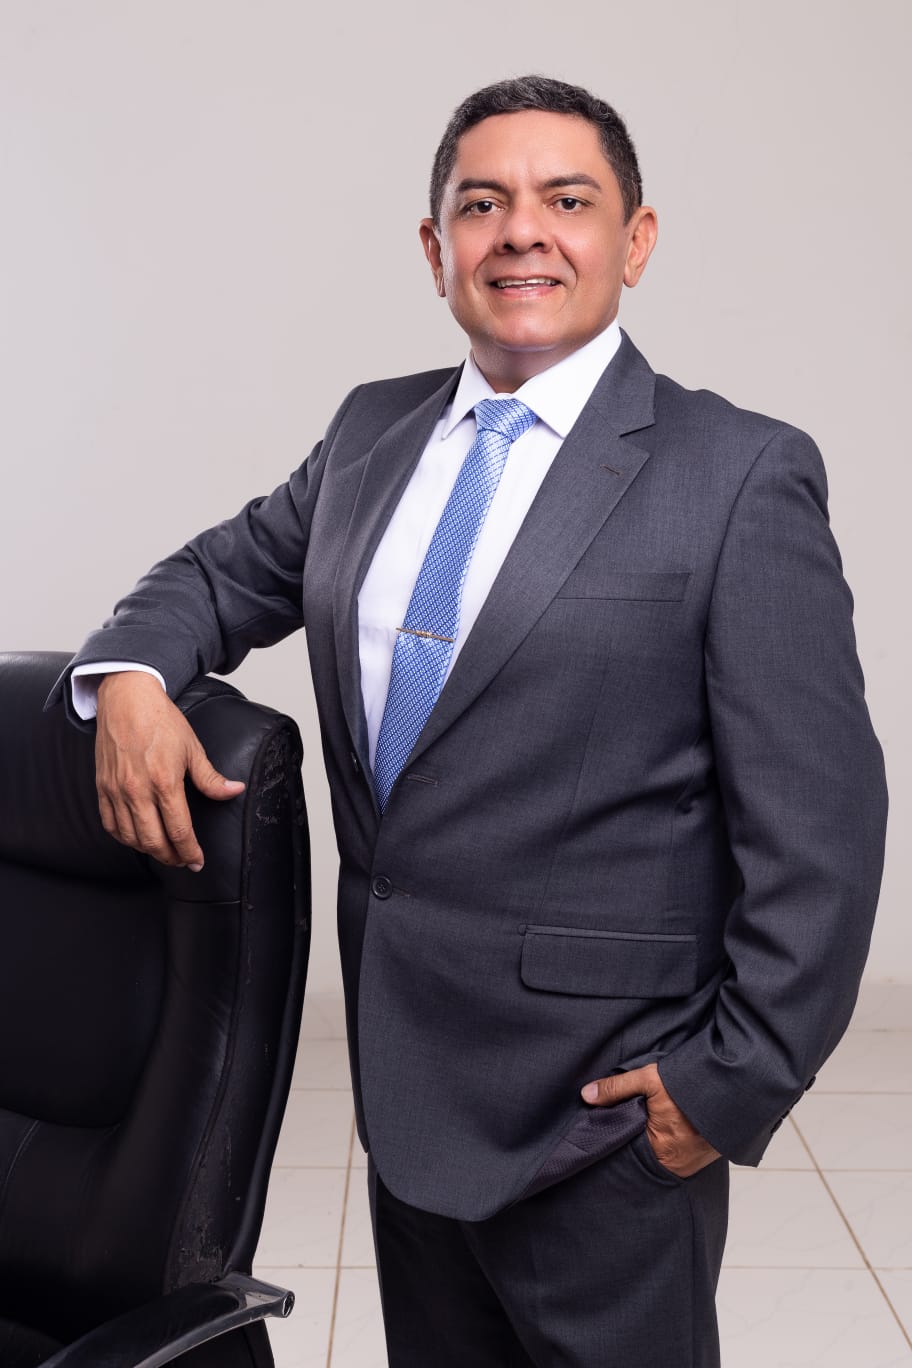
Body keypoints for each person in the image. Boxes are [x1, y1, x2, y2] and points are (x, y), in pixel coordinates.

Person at [51, 75, 888, 1368]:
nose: (521, 232)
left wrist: (728, 1086)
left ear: (636, 241)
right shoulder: (370, 434)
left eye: (568, 200)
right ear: (436, 247)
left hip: (608, 1118)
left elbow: (823, 824)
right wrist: (131, 680)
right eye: (482, 204)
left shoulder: (736, 475)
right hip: (408, 1091)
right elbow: (214, 577)